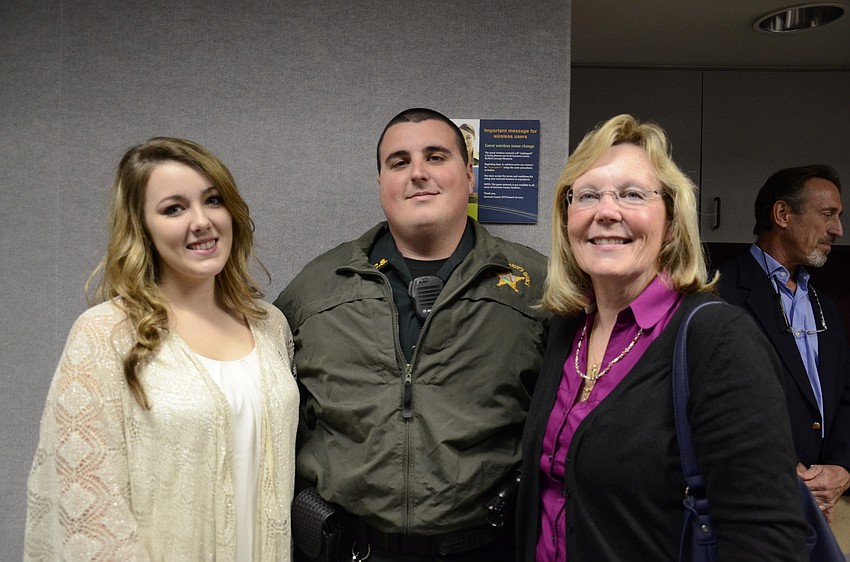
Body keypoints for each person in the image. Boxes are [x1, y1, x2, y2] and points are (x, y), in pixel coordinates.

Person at [515, 114, 808, 561]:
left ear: (671, 222)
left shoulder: (718, 340)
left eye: (633, 194)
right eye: (587, 195)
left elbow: (767, 540)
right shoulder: (565, 330)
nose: (606, 212)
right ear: (566, 218)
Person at [275, 108, 548, 562]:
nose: (418, 173)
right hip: (350, 549)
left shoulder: (536, 286)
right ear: (381, 182)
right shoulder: (318, 287)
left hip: (485, 547)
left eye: (435, 157)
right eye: (399, 162)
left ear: (469, 176)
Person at [24, 137, 298, 561]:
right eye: (174, 209)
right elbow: (87, 505)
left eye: (212, 200)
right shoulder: (105, 335)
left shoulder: (269, 326)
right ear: (142, 228)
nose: (201, 221)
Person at [718, 165, 850, 524]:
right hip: (748, 505)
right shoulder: (717, 294)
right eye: (828, 214)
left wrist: (841, 468)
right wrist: (780, 468)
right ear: (782, 214)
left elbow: (845, 397)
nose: (838, 229)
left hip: (820, 508)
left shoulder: (826, 307)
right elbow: (713, 401)